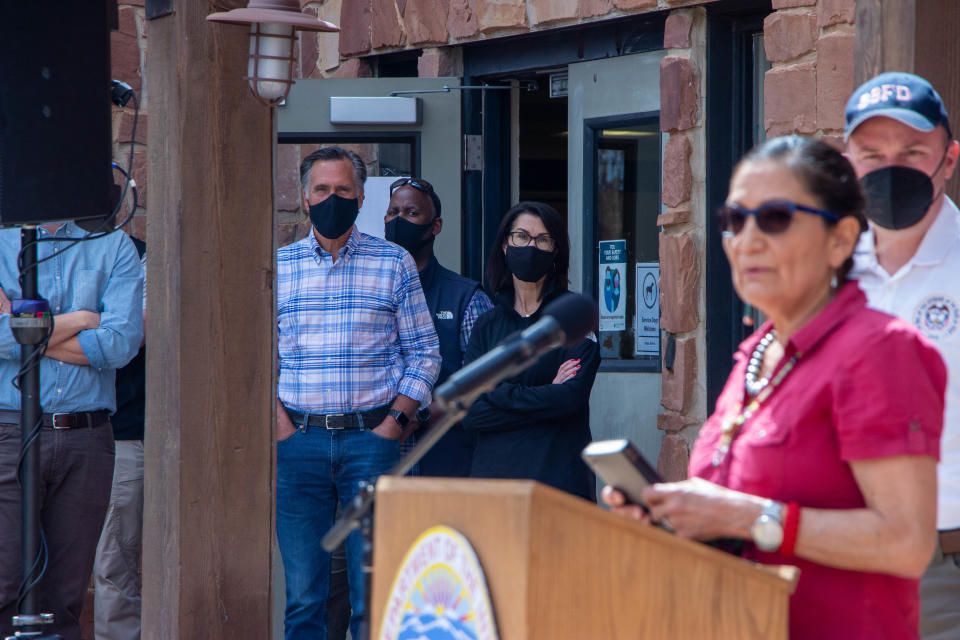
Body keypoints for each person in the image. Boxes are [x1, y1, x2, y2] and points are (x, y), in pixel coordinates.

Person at [603, 136, 946, 640]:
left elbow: (906, 542)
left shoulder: (879, 350)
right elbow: (736, 527)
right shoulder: (755, 356)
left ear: (841, 239)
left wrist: (749, 517)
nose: (747, 240)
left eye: (776, 218)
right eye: (734, 220)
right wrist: (672, 520)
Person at [275, 146, 440, 640]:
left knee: (376, 593)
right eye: (322, 190)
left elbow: (425, 354)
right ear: (305, 199)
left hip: (372, 444)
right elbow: (256, 359)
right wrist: (278, 425)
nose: (332, 199)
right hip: (298, 444)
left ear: (361, 197)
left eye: (343, 191)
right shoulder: (277, 268)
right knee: (304, 596)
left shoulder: (394, 263)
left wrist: (393, 424)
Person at [844, 72, 960, 640]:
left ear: (949, 159)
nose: (891, 168)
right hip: (836, 558)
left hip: (945, 569)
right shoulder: (820, 274)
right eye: (872, 153)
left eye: (913, 151)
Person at [0, 224, 144, 640]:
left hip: (87, 437)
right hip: (10, 432)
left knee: (64, 595)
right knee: (5, 581)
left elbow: (119, 344)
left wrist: (26, 331)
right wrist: (81, 319)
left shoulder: (112, 245)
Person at [462, 201, 600, 500]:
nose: (531, 246)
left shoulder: (572, 317)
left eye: (543, 239)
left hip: (558, 482)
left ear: (555, 250)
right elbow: (471, 413)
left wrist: (495, 392)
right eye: (521, 236)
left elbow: (570, 399)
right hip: (494, 485)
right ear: (504, 245)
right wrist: (547, 391)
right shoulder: (487, 324)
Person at [383, 177, 493, 476]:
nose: (399, 220)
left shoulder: (466, 297)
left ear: (435, 226)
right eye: (393, 213)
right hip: (376, 457)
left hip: (444, 457)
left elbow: (485, 385)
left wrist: (411, 418)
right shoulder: (366, 292)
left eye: (411, 213)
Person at [94, 235, 146, 640]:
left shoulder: (142, 255)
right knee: (112, 560)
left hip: (134, 434)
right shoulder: (37, 251)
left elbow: (124, 341)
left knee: (116, 560)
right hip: (113, 434)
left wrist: (62, 323)